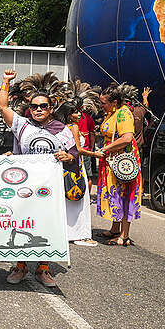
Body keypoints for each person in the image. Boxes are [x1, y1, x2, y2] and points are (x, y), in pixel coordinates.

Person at [0, 71, 83, 287]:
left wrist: (68, 156)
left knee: (45, 225)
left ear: (50, 109)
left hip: (49, 189)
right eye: (34, 106)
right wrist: (6, 82)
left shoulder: (61, 130)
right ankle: (21, 265)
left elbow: (75, 155)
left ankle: (43, 268)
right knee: (22, 223)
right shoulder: (23, 125)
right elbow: (3, 108)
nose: (38, 109)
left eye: (43, 106)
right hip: (23, 187)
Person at [93, 85, 141, 246]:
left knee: (125, 194)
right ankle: (115, 228)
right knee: (116, 194)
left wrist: (106, 148)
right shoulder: (113, 112)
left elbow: (127, 138)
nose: (101, 106)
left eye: (103, 103)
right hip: (112, 158)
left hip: (122, 162)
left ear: (114, 102)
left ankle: (124, 234)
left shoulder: (123, 114)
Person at [62, 99, 97, 247]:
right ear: (69, 115)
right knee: (80, 202)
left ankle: (69, 232)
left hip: (68, 167)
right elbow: (78, 150)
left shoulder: (62, 127)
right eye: (75, 112)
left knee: (69, 201)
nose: (78, 115)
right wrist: (96, 154)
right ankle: (80, 234)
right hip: (77, 165)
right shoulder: (73, 127)